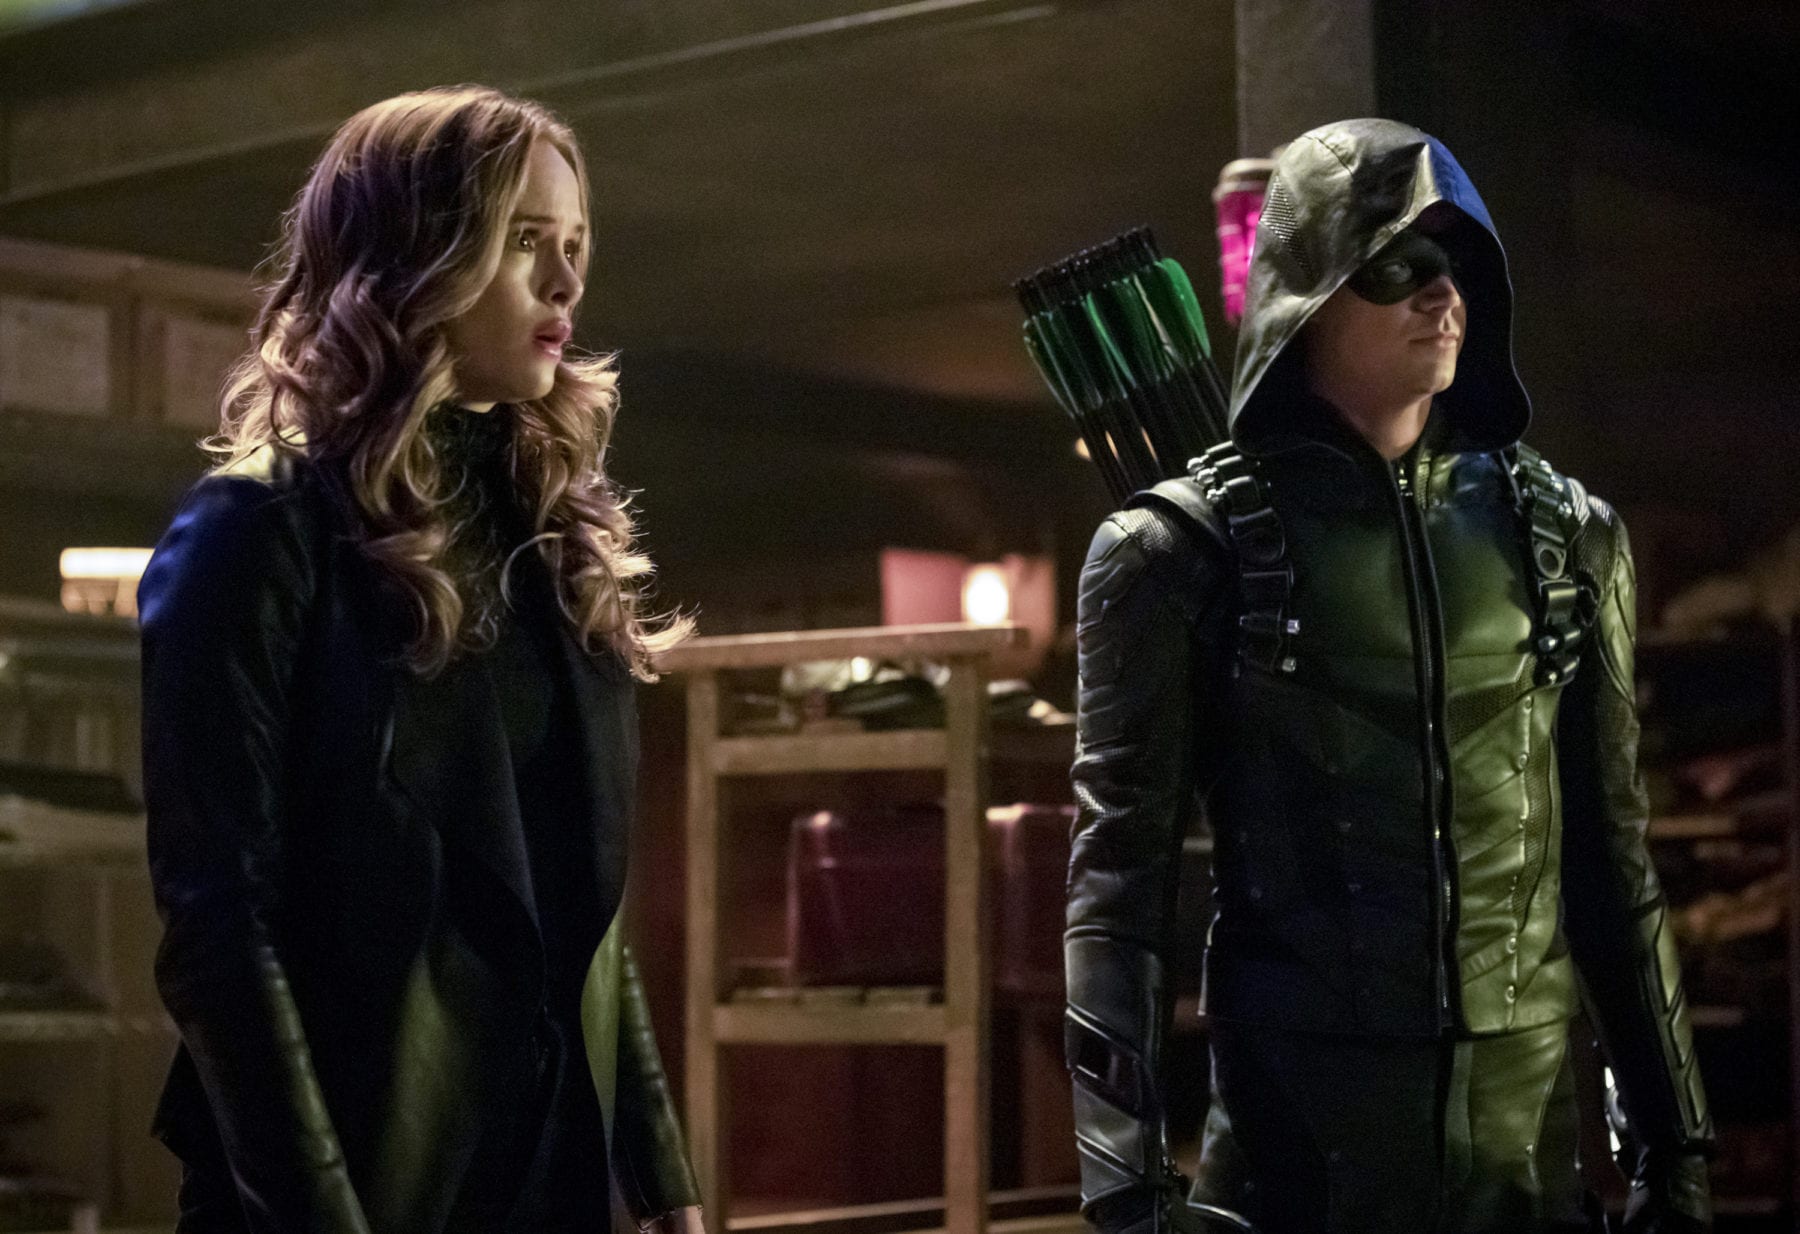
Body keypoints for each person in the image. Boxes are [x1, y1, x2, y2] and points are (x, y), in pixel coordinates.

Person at [1063, 119, 1713, 1234]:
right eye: (1396, 264)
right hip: (1296, 1166)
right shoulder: (1176, 551)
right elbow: (1118, 886)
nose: (1440, 294)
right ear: (1308, 294)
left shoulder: (1569, 537)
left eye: (1455, 263)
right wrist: (1124, 1186)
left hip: (1525, 1162)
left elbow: (1613, 866)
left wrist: (1677, 1150)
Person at [138, 85, 702, 1234]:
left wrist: (661, 1174)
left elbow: (574, 902)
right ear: (417, 259)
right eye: (525, 240)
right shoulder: (261, 528)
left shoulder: (552, 525)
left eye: (576, 244)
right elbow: (220, 930)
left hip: (546, 1180)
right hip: (352, 1182)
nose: (566, 282)